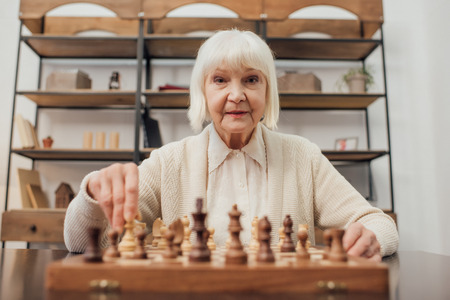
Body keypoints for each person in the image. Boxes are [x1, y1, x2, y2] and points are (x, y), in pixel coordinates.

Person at [64, 29, 398, 261]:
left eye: (251, 80)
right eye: (220, 80)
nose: (236, 95)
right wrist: (93, 193)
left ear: (268, 93)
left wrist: (371, 239)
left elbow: (381, 224)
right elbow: (79, 242)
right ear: (203, 92)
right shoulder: (168, 162)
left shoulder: (303, 157)